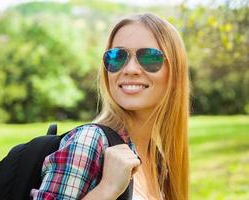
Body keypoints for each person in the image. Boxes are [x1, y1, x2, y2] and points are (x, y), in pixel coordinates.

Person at [31, 12, 189, 200]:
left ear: (175, 74)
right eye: (117, 57)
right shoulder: (89, 141)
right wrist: (107, 189)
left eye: (149, 57)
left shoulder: (158, 161)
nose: (130, 69)